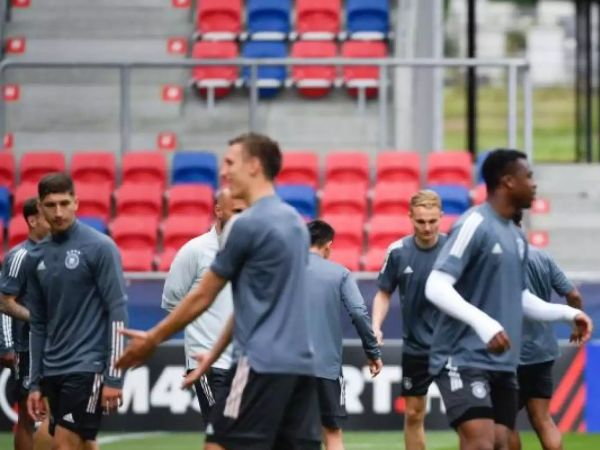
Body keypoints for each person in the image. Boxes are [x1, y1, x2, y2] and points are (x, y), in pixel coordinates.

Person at [116, 132, 322, 450]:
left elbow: (203, 294)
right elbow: (252, 305)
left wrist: (153, 338)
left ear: (253, 166)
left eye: (230, 162)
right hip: (302, 367)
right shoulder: (295, 222)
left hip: (258, 364)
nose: (223, 171)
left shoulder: (245, 225)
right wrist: (212, 355)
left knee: (217, 445)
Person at [424, 149, 593, 450]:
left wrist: (568, 314)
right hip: (462, 357)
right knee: (481, 443)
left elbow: (521, 298)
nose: (534, 184)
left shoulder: (516, 238)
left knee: (503, 442)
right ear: (507, 182)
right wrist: (484, 324)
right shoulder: (474, 224)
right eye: (528, 176)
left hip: (502, 362)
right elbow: (435, 285)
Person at [18, 173, 128, 450]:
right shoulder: (34, 258)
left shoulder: (100, 248)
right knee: (72, 443)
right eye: (50, 205)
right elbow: (38, 323)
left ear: (76, 203)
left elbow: (117, 311)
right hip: (52, 369)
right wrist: (34, 382)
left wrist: (114, 376)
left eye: (64, 203)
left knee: (64, 445)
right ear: (39, 208)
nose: (58, 212)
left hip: (87, 367)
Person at [161, 188, 247, 426]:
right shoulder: (195, 251)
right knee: (219, 431)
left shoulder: (250, 253)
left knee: (239, 435)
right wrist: (198, 333)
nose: (243, 216)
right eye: (237, 210)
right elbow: (172, 300)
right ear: (218, 210)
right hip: (207, 362)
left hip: (243, 363)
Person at [371, 189, 447, 450]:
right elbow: (383, 293)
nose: (427, 227)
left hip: (453, 347)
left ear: (441, 217)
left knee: (467, 418)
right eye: (420, 221)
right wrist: (376, 327)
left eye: (432, 221)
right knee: (414, 414)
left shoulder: (454, 250)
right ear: (410, 218)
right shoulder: (398, 252)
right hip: (416, 348)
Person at [508, 211, 582, 450]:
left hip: (509, 353)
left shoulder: (498, 261)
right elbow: (573, 294)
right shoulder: (542, 258)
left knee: (506, 422)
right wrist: (575, 322)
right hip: (542, 351)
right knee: (542, 419)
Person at [306, 219, 383, 450]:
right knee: (332, 432)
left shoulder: (283, 270)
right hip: (325, 367)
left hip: (285, 367)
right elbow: (359, 313)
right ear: (328, 245)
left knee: (291, 433)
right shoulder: (339, 273)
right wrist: (372, 351)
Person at [0, 197, 50, 450]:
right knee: (29, 416)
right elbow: (4, 303)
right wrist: (7, 346)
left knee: (60, 414)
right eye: (47, 212)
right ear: (32, 220)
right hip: (28, 346)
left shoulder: (59, 253)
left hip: (59, 345)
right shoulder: (20, 255)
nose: (54, 217)